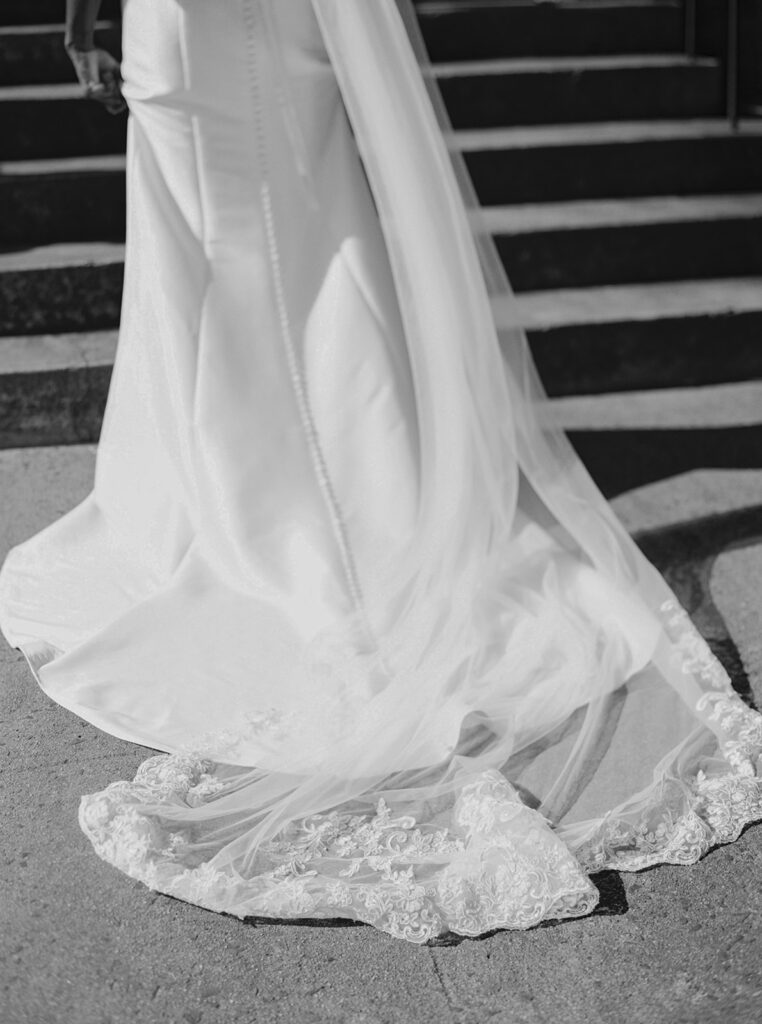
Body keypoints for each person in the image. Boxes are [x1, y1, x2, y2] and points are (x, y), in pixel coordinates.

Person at [1, 0, 760, 946]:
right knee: (291, 232)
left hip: (195, 27)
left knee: (229, 243)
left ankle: (256, 505)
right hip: (281, 29)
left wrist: (83, 20)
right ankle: (327, 485)